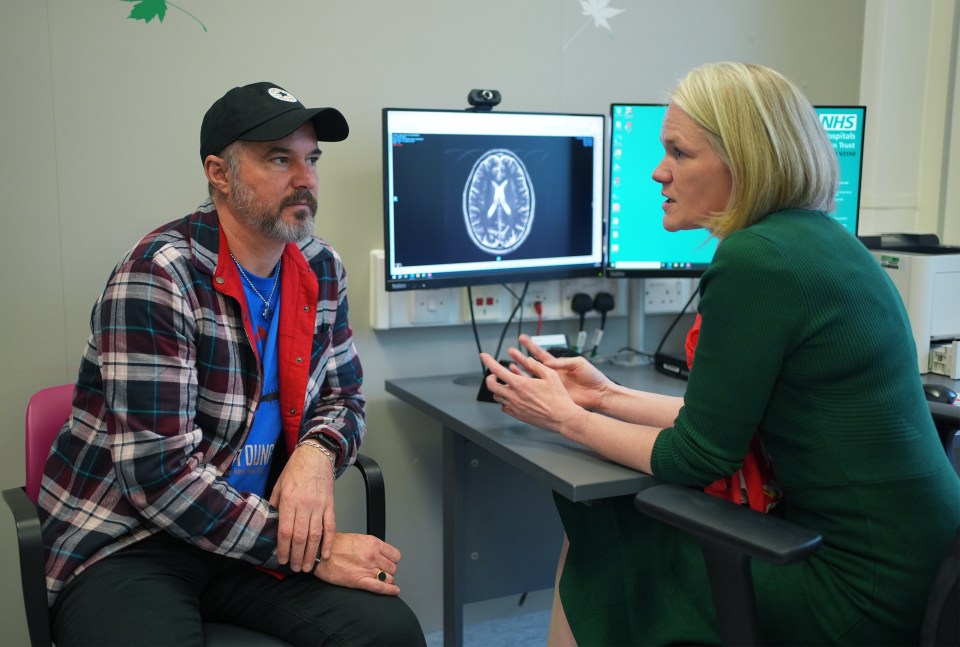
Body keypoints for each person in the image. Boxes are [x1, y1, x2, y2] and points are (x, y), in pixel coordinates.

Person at [481, 62, 960, 645]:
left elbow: (695, 457)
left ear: (745, 162)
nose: (660, 173)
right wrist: (604, 395)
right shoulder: (821, 239)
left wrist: (564, 417)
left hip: (857, 588)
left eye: (680, 153)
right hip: (923, 566)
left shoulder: (757, 260)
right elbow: (728, 426)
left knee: (600, 527)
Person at [39, 82, 425, 646]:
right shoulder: (158, 277)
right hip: (132, 540)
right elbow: (157, 478)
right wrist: (312, 549)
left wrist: (317, 455)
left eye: (311, 159)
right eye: (279, 158)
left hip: (249, 530)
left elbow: (345, 398)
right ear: (219, 174)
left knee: (390, 633)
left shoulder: (320, 267)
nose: (307, 180)